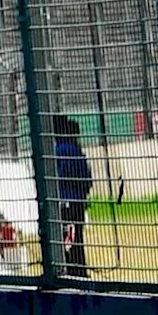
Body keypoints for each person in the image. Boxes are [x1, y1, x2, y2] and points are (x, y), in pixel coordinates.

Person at [50, 116, 93, 274]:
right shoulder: (77, 150)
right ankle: (79, 270)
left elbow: (60, 177)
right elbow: (87, 177)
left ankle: (68, 270)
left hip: (65, 201)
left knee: (66, 238)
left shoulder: (60, 150)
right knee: (77, 238)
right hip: (78, 201)